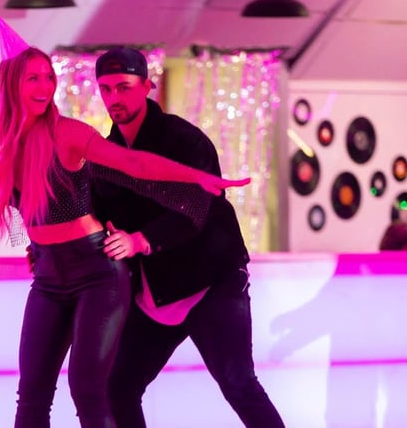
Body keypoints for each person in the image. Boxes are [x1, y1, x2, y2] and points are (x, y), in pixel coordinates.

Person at [0, 18, 249, 428]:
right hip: (48, 275)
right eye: (33, 78)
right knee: (31, 397)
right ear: (11, 83)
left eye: (49, 77)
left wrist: (198, 177)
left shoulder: (68, 134)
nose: (45, 87)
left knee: (89, 392)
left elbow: (135, 164)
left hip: (97, 274)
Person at [90, 47, 285, 428]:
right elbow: (93, 217)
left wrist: (140, 240)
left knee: (238, 383)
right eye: (106, 89)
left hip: (211, 280)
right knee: (118, 387)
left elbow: (197, 209)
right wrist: (46, 248)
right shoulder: (105, 155)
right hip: (158, 293)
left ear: (147, 86)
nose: (114, 98)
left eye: (124, 87)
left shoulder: (185, 140)